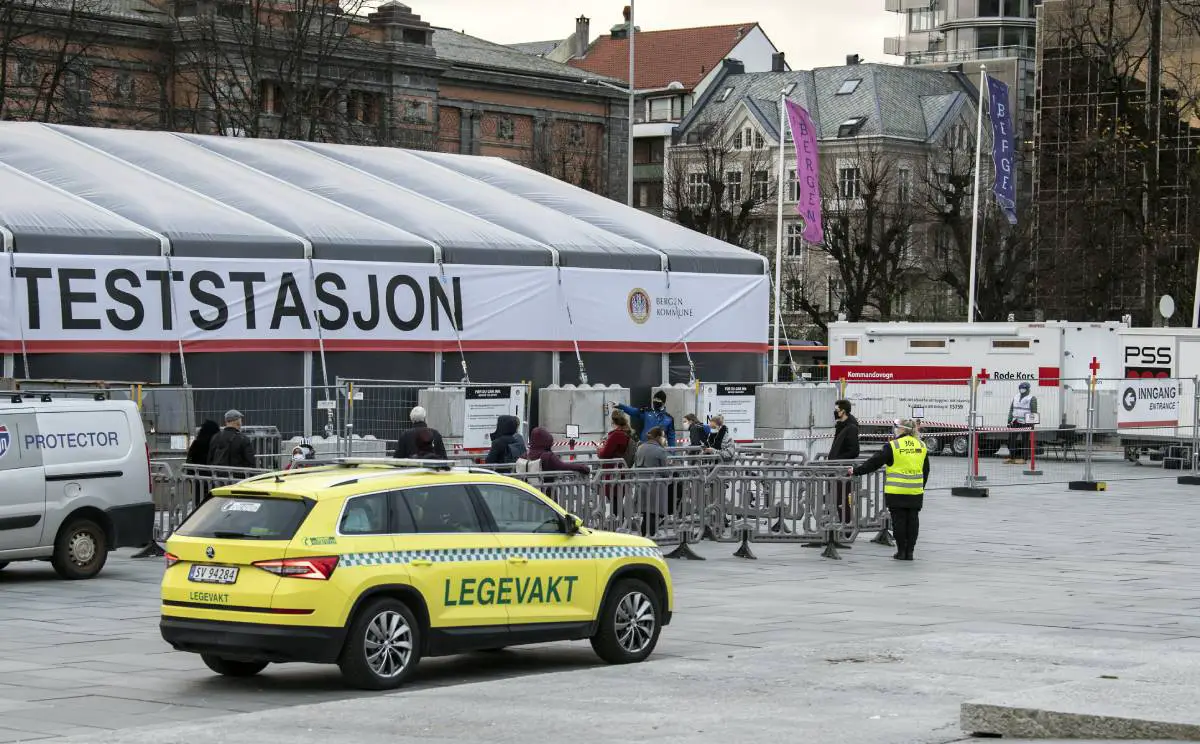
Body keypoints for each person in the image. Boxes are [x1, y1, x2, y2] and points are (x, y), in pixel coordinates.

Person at [850, 419, 930, 561]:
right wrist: (920, 486)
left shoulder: (893, 446)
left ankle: (901, 552)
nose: (894, 430)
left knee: (899, 522)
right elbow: (926, 470)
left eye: (896, 427)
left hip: (897, 491)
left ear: (902, 429)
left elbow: (874, 462)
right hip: (915, 492)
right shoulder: (921, 445)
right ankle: (910, 552)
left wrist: (856, 471)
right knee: (912, 521)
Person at [828, 400, 861, 532]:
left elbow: (854, 451)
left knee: (842, 499)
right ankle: (843, 524)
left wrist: (838, 460)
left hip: (843, 468)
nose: (835, 412)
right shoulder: (841, 426)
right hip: (837, 468)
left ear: (843, 411)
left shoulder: (851, 428)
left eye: (837, 410)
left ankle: (847, 527)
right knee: (838, 498)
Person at [634, 427, 670, 537]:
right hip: (656, 485)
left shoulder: (640, 448)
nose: (664, 438)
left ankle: (644, 534)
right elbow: (665, 471)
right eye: (663, 436)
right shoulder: (660, 450)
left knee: (645, 512)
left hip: (641, 483)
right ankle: (650, 535)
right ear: (659, 437)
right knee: (654, 512)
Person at [517, 427, 590, 476]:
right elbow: (563, 466)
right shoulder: (548, 456)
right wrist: (581, 467)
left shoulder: (524, 455)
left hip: (528, 492)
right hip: (546, 491)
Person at [186, 420, 220, 507]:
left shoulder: (196, 443)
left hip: (196, 480)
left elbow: (189, 461)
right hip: (212, 481)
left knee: (198, 505)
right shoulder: (215, 444)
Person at [1006, 382, 1038, 465]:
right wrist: (1009, 420)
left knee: (1025, 440)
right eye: (1021, 388)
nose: (1022, 389)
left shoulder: (1032, 398)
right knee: (1011, 440)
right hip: (1015, 421)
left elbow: (1034, 412)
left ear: (1028, 389)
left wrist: (1032, 424)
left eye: (1024, 388)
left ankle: (1024, 458)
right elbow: (1011, 409)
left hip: (1026, 422)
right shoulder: (1016, 397)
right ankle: (1012, 457)